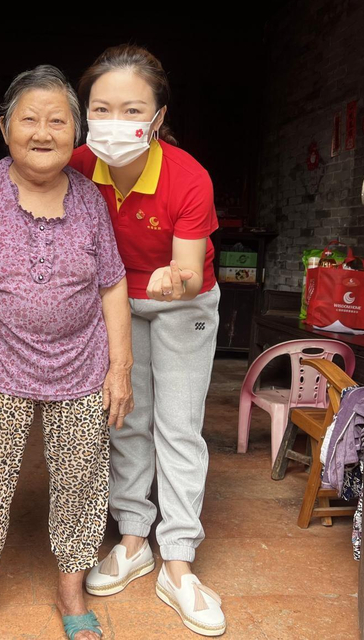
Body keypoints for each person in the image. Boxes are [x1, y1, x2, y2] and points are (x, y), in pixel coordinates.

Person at [0, 65, 133, 640]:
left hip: (80, 364)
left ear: (75, 133)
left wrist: (120, 368)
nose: (42, 132)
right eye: (29, 119)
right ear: (5, 127)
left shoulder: (91, 199)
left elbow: (111, 285)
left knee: (82, 481)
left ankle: (71, 593)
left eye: (57, 121)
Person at [72, 44, 225, 637]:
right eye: (101, 109)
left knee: (178, 425)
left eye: (132, 109)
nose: (115, 123)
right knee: (127, 417)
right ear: (85, 112)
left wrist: (174, 278)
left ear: (158, 117)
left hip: (183, 300)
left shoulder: (187, 177)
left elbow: (187, 268)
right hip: (116, 301)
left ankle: (178, 559)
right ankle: (134, 539)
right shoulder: (78, 164)